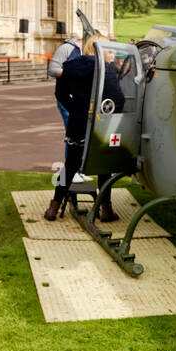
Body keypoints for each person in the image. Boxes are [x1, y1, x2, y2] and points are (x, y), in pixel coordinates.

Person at [46, 41, 125, 222]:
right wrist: (111, 113)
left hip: (78, 121)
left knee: (71, 165)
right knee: (104, 167)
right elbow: (118, 98)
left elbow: (60, 93)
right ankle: (106, 210)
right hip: (101, 124)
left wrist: (75, 109)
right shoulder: (106, 69)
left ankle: (53, 208)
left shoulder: (70, 67)